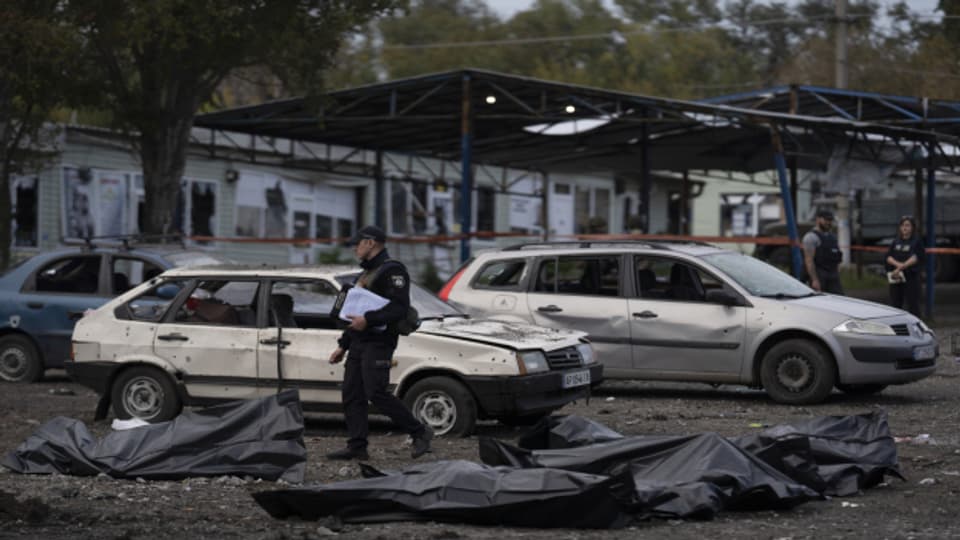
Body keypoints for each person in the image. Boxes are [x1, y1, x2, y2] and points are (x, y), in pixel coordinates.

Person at [326, 225, 433, 461]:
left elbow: (399, 307)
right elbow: (353, 312)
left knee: (376, 392)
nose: (354, 248)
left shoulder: (393, 271)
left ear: (370, 243)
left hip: (380, 342)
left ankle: (420, 431)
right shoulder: (363, 275)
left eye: (357, 243)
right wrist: (343, 345)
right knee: (352, 393)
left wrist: (369, 319)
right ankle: (357, 446)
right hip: (358, 341)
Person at [885, 215, 924, 317]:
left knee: (912, 305)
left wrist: (901, 267)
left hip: (910, 277)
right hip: (896, 277)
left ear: (912, 227)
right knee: (895, 305)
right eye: (902, 225)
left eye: (907, 225)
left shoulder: (916, 241)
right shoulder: (896, 241)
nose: (904, 228)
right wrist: (898, 266)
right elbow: (888, 257)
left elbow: (915, 258)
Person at [802, 209, 844, 294]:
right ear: (818, 219)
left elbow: (836, 256)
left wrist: (837, 271)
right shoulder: (811, 237)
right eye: (826, 220)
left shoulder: (832, 237)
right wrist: (814, 280)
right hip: (819, 274)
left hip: (833, 275)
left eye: (830, 220)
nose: (829, 222)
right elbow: (809, 260)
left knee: (839, 300)